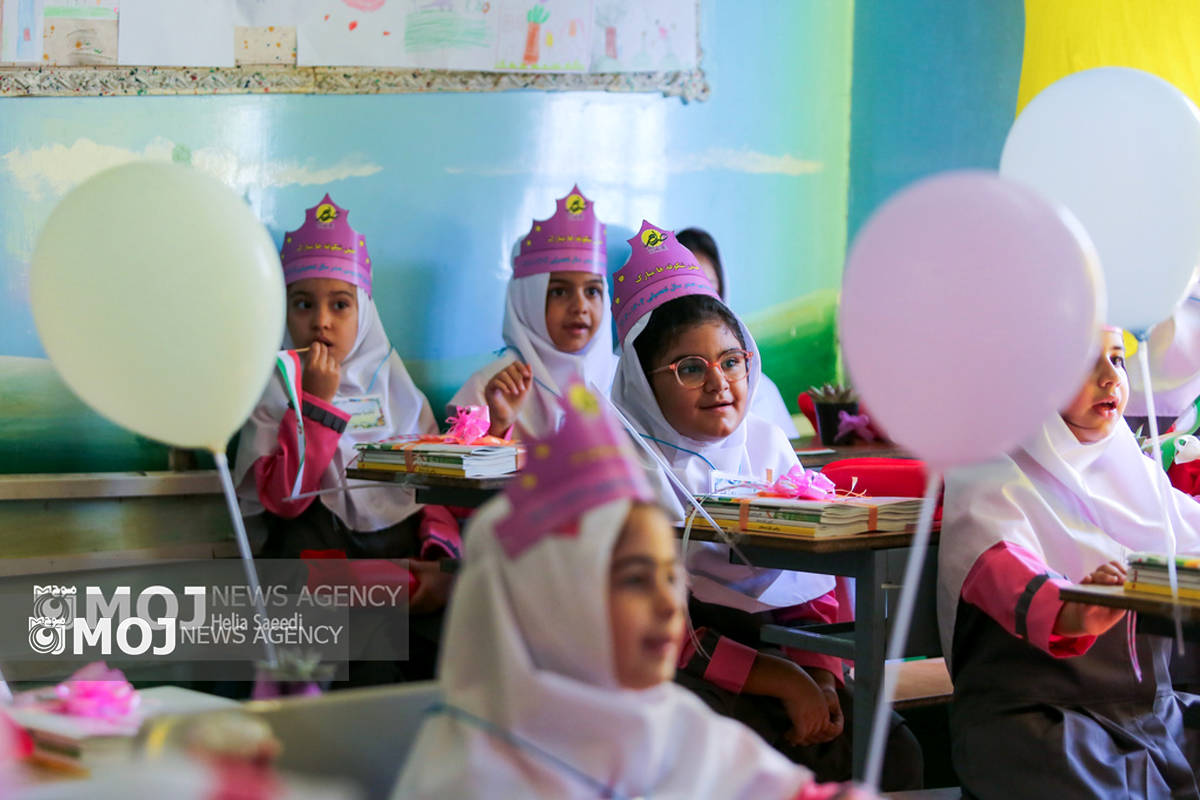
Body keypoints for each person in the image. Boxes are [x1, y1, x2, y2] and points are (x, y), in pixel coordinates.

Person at [394, 382, 875, 800]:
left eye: (671, 577)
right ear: (544, 599)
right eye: (634, 580)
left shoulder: (678, 728)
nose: (669, 605)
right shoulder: (477, 777)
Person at [609, 221, 920, 788]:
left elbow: (817, 582)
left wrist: (820, 675)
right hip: (683, 667)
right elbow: (658, 630)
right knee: (733, 755)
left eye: (731, 361)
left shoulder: (767, 446)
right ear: (643, 384)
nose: (719, 383)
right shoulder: (630, 471)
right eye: (690, 368)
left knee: (891, 748)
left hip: (792, 655)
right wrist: (783, 681)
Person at [939, 326, 1200, 798]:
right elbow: (1003, 569)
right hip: (1041, 721)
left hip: (1153, 715)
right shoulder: (988, 474)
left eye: (1117, 359)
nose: (1110, 377)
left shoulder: (1134, 471)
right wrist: (1074, 610)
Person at [448, 185, 617, 440]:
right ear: (528, 300)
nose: (580, 306)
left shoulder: (624, 381)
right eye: (559, 292)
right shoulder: (490, 386)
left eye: (592, 291)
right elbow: (452, 460)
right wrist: (498, 426)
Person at [676, 226, 799, 437]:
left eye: (731, 363)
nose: (718, 385)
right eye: (686, 287)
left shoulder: (760, 391)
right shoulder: (631, 378)